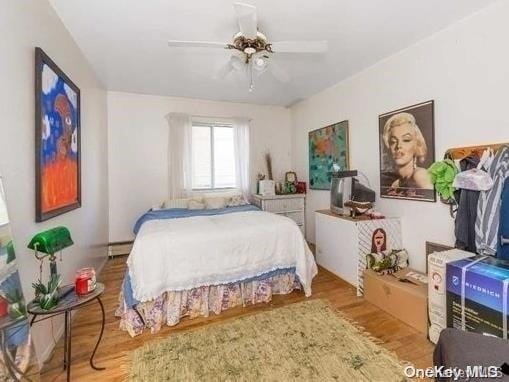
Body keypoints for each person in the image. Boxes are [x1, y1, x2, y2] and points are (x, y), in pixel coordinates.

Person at [382, 112, 433, 197]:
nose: (398, 146)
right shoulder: (397, 183)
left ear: (417, 145)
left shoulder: (420, 175)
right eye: (393, 141)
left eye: (406, 140)